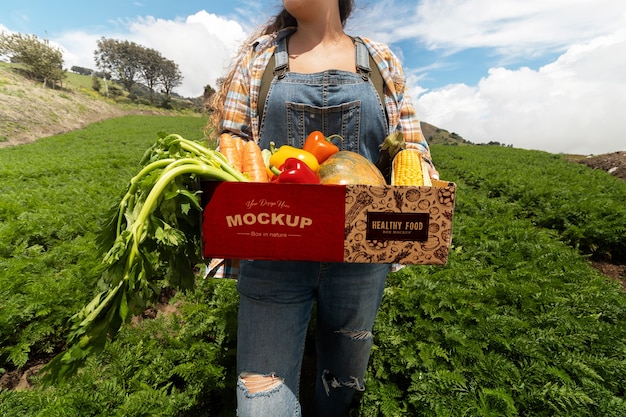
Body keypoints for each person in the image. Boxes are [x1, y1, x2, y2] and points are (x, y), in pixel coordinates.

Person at [209, 0, 439, 415]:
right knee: (260, 407)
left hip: (360, 257)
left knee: (340, 386)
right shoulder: (260, 58)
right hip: (273, 252)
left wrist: (419, 181)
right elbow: (233, 143)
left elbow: (411, 145)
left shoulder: (378, 59)